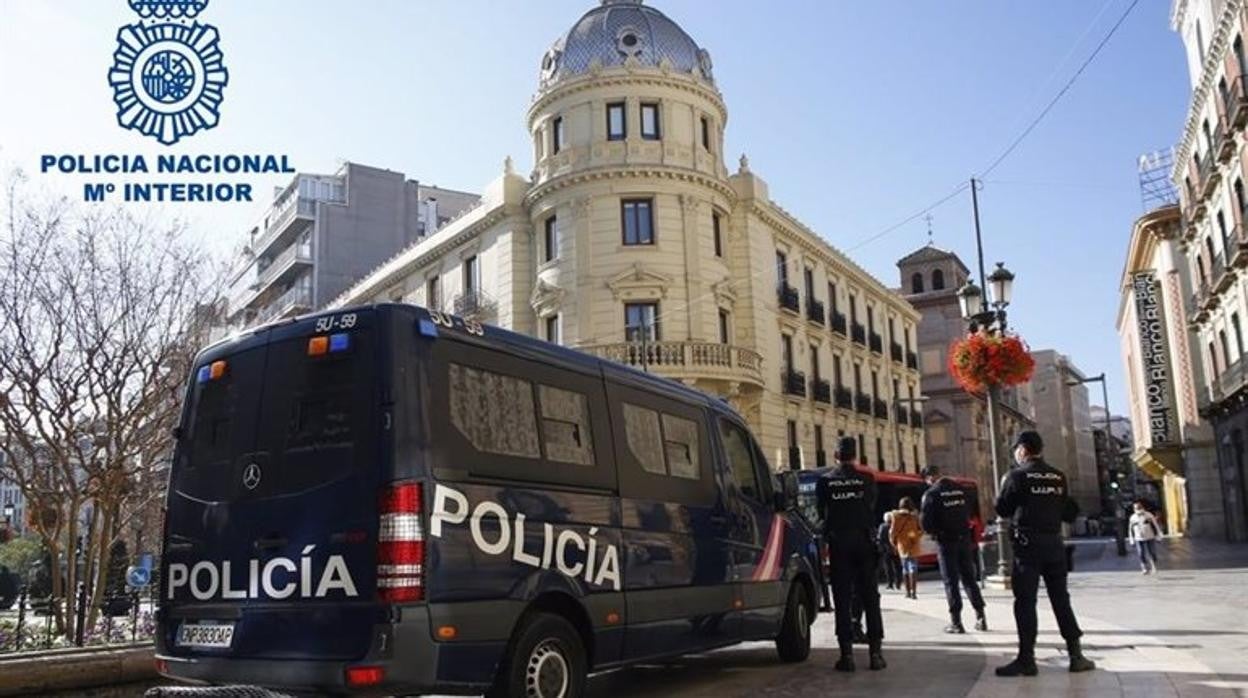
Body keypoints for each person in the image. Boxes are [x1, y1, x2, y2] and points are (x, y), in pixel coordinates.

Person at [995, 431, 1096, 677]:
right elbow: (1069, 513)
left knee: (1026, 602)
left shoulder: (1016, 476)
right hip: (1054, 545)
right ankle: (1076, 655)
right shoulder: (1057, 476)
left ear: (1023, 450)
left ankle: (1026, 659)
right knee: (1061, 599)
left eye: (1016, 450)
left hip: (1027, 547)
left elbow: (1002, 508)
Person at [816, 437, 886, 672]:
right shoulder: (866, 479)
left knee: (842, 600)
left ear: (835, 455)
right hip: (865, 543)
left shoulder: (825, 481)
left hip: (839, 543)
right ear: (855, 455)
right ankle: (875, 655)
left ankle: (847, 656)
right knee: (870, 597)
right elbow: (872, 505)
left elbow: (821, 512)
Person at [920, 465, 988, 634]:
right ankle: (981, 617)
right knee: (969, 579)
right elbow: (970, 511)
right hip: (964, 539)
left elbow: (926, 523)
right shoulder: (960, 489)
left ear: (929, 478)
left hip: (946, 542)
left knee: (951, 582)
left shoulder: (932, 494)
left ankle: (956, 622)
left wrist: (936, 531)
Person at [889, 496, 923, 599]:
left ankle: (907, 592)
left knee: (904, 568)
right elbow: (920, 530)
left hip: (902, 545)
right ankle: (914, 592)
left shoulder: (895, 516)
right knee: (913, 567)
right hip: (913, 544)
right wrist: (913, 536)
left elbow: (892, 532)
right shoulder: (914, 517)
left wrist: (893, 543)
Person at [1128, 499, 1162, 575]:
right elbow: (1130, 529)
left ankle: (1154, 566)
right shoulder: (1133, 518)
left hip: (1150, 537)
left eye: (1139, 507)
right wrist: (1131, 540)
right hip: (1138, 538)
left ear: (1142, 507)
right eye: (1136, 507)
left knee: (1152, 552)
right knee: (1141, 553)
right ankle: (1144, 568)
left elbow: (1155, 525)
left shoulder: (1149, 515)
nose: (1137, 508)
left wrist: (1158, 536)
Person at [877, 512, 902, 591]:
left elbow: (880, 538)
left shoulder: (882, 527)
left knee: (888, 567)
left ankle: (890, 584)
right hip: (896, 549)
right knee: (897, 567)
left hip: (886, 550)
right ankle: (898, 583)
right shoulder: (896, 525)